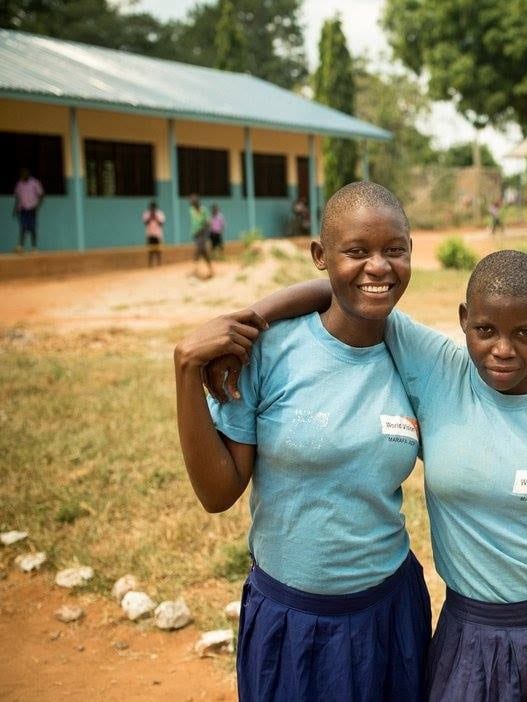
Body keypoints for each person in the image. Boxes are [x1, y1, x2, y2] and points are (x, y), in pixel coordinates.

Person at [213, 249, 527, 700]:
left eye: (526, 332)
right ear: (463, 320)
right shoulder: (438, 371)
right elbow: (348, 290)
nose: (504, 349)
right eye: (485, 330)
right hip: (469, 633)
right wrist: (247, 322)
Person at [173, 182, 433, 700]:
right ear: (320, 255)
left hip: (390, 611)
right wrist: (185, 368)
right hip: (293, 619)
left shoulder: (417, 357)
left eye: (394, 250)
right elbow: (217, 493)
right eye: (357, 251)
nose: (378, 267)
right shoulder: (270, 352)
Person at [13, 168, 44, 253]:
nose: (24, 176)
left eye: (25, 174)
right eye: (22, 174)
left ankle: (34, 247)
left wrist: (37, 206)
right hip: (22, 209)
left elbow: (41, 195)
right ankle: (20, 247)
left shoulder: (34, 182)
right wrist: (15, 209)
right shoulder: (19, 184)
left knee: (32, 228)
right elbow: (17, 197)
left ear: (29, 174)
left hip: (32, 208)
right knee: (23, 227)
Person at [188, 194, 212, 279]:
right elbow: (195, 222)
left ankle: (195, 270)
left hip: (203, 232)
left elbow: (208, 222)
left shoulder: (204, 210)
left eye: (193, 201)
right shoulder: (191, 210)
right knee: (203, 251)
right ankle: (210, 270)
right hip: (196, 233)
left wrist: (205, 226)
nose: (191, 202)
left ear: (197, 202)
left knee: (199, 248)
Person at [142, 201, 165, 267]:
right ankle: (150, 264)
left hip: (158, 234)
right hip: (149, 234)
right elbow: (145, 223)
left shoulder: (160, 213)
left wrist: (156, 217)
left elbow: (161, 224)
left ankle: (159, 263)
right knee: (150, 250)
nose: (152, 209)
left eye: (153, 208)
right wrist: (150, 217)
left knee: (158, 249)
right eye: (151, 207)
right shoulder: (146, 213)